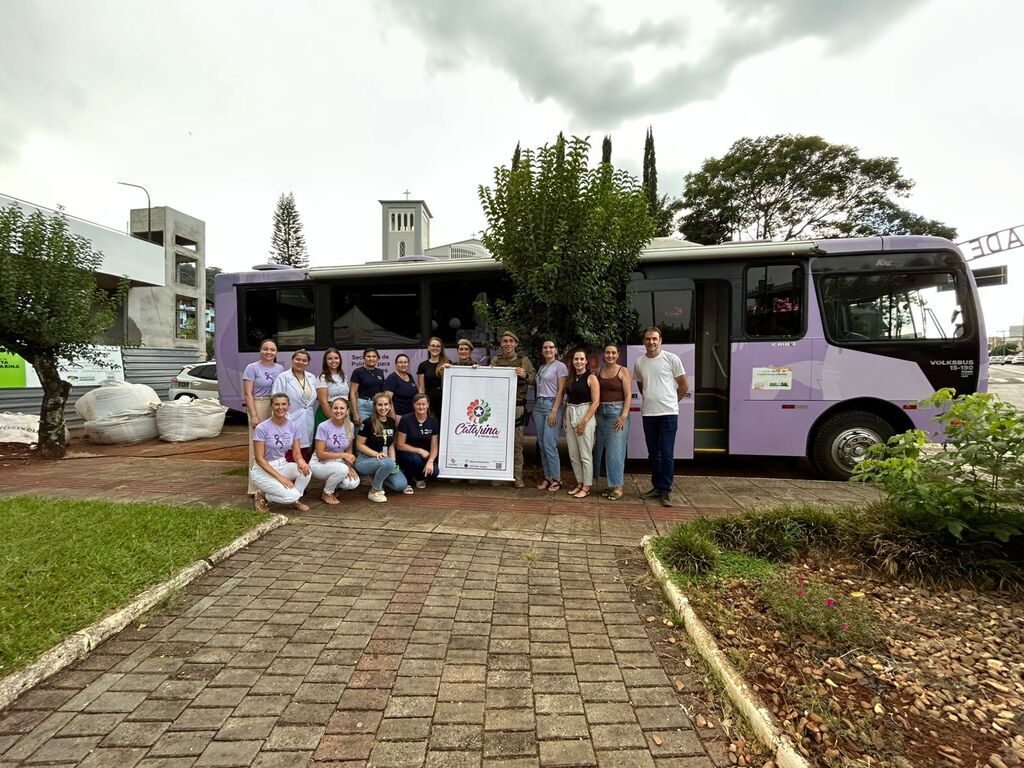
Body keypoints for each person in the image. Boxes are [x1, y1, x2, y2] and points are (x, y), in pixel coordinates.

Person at [633, 326, 688, 507]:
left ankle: (666, 490)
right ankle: (656, 486)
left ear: (660, 340)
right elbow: (642, 387)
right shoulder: (639, 362)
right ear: (644, 342)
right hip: (648, 413)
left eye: (654, 339)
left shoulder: (672, 359)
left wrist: (672, 402)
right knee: (653, 453)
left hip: (668, 414)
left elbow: (683, 385)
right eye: (648, 339)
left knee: (666, 453)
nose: (651, 342)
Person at [250, 393, 311, 512]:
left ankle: (294, 501)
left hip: (282, 464)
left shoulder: (293, 426)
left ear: (289, 406)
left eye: (284, 404)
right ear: (271, 406)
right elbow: (259, 459)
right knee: (292, 495)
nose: (280, 407)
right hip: (263, 470)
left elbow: (297, 453)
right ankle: (263, 496)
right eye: (276, 404)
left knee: (306, 471)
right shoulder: (262, 428)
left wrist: (301, 462)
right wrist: (280, 478)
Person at [489, 330, 536, 488]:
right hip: (498, 408)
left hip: (517, 407)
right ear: (501, 344)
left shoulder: (524, 361)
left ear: (516, 344)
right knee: (497, 442)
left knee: (517, 444)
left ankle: (517, 476)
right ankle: (498, 475)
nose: (508, 344)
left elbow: (535, 379)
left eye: (511, 341)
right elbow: (486, 379)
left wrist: (526, 376)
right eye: (505, 341)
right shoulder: (495, 360)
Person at [242, 339, 285, 495]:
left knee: (272, 444)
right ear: (260, 350)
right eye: (265, 349)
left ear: (276, 352)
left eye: (272, 350)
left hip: (276, 405)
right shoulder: (252, 368)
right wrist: (253, 415)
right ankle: (255, 488)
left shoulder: (280, 368)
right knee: (257, 447)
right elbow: (248, 393)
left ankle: (270, 482)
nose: (269, 352)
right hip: (258, 405)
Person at [593, 344, 632, 501]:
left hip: (617, 413)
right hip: (601, 413)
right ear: (603, 355)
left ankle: (618, 487)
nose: (610, 355)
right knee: (603, 451)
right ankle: (610, 485)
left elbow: (628, 396)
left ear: (618, 355)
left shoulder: (623, 371)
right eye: (607, 353)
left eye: (613, 353)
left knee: (616, 451)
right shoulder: (599, 371)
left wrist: (623, 415)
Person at [354, 391, 411, 502]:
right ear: (375, 406)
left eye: (386, 404)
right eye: (380, 405)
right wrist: (377, 454)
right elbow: (359, 445)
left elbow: (390, 445)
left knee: (400, 485)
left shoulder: (391, 422)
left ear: (390, 406)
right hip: (365, 460)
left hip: (384, 461)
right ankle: (375, 490)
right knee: (387, 462)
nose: (383, 408)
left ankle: (376, 477)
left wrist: (393, 461)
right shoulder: (368, 422)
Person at [563, 348, 600, 499]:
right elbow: (569, 399)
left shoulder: (591, 378)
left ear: (586, 361)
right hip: (570, 412)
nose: (578, 362)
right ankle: (579, 482)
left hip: (585, 413)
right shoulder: (571, 378)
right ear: (572, 362)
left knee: (585, 454)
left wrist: (584, 421)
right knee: (573, 453)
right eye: (575, 359)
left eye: (581, 359)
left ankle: (586, 485)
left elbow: (596, 402)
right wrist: (565, 418)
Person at [310, 397, 361, 505]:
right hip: (320, 462)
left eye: (342, 408)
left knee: (352, 483)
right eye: (335, 408)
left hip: (338, 461)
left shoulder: (350, 425)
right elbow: (320, 454)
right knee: (342, 470)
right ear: (331, 409)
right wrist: (344, 456)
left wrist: (349, 466)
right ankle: (326, 493)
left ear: (347, 411)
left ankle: (333, 485)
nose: (338, 411)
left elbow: (349, 448)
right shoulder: (323, 426)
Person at [270, 349, 318, 462]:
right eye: (298, 359)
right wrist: (278, 421)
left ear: (308, 363)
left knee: (305, 448)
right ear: (292, 360)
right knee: (289, 449)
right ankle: (289, 476)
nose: (300, 362)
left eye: (304, 360)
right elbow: (275, 398)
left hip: (307, 419)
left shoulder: (311, 377)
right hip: (289, 418)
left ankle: (302, 474)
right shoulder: (283, 377)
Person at [533, 339, 568, 492]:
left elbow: (561, 390)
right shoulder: (541, 367)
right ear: (542, 351)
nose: (548, 350)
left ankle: (557, 478)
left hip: (552, 405)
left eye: (551, 347)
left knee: (549, 444)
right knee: (541, 445)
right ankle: (548, 476)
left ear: (556, 350)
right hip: (539, 406)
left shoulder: (560, 367)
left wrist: (555, 410)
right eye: (545, 347)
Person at [396, 393, 440, 489]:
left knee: (435, 472)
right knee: (415, 459)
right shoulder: (406, 419)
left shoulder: (433, 421)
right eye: (418, 404)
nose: (421, 407)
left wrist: (430, 461)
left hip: (425, 455)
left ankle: (419, 477)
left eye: (423, 404)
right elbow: (400, 445)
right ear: (413, 405)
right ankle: (407, 479)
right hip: (407, 454)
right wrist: (419, 450)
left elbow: (434, 446)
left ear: (428, 405)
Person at [315, 347, 349, 434]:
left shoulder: (343, 376)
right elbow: (323, 402)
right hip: (328, 413)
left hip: (344, 413)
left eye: (336, 358)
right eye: (330, 358)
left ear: (340, 360)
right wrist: (334, 420)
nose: (333, 361)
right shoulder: (322, 377)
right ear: (325, 361)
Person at [350, 347, 387, 427]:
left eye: (374, 356)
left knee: (377, 431)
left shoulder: (380, 372)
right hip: (363, 406)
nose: (371, 358)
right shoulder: (358, 372)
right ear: (363, 358)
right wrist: (355, 413)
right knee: (362, 431)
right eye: (368, 356)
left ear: (377, 359)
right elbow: (352, 393)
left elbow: (382, 392)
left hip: (378, 406)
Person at [416, 337, 449, 419]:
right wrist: (422, 403)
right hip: (429, 399)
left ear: (441, 349)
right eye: (433, 346)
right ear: (428, 347)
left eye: (438, 346)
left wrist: (449, 369)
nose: (435, 348)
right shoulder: (423, 365)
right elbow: (421, 387)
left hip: (444, 399)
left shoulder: (447, 364)